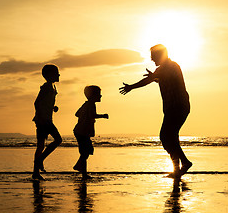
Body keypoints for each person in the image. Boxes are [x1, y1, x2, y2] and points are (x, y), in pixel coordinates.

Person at [119, 44, 192, 178]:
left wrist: (131, 87)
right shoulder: (170, 67)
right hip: (177, 107)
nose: (152, 60)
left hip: (176, 107)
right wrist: (156, 78)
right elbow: (164, 80)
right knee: (171, 137)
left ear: (160, 55)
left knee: (165, 137)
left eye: (153, 57)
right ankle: (181, 166)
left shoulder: (167, 67)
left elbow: (147, 81)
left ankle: (182, 165)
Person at [32, 64, 62, 180]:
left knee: (41, 145)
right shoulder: (46, 87)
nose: (59, 75)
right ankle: (40, 161)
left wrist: (53, 107)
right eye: (56, 73)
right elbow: (37, 102)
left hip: (46, 119)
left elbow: (46, 102)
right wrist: (41, 116)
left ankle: (36, 172)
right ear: (49, 75)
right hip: (43, 121)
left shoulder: (53, 87)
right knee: (57, 140)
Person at [73, 85, 108, 179]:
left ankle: (79, 167)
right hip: (82, 131)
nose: (101, 96)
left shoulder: (86, 104)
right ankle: (83, 173)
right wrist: (103, 116)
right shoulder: (90, 104)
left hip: (82, 131)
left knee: (87, 151)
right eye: (99, 95)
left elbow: (77, 113)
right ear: (93, 96)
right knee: (85, 152)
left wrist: (84, 116)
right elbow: (92, 115)